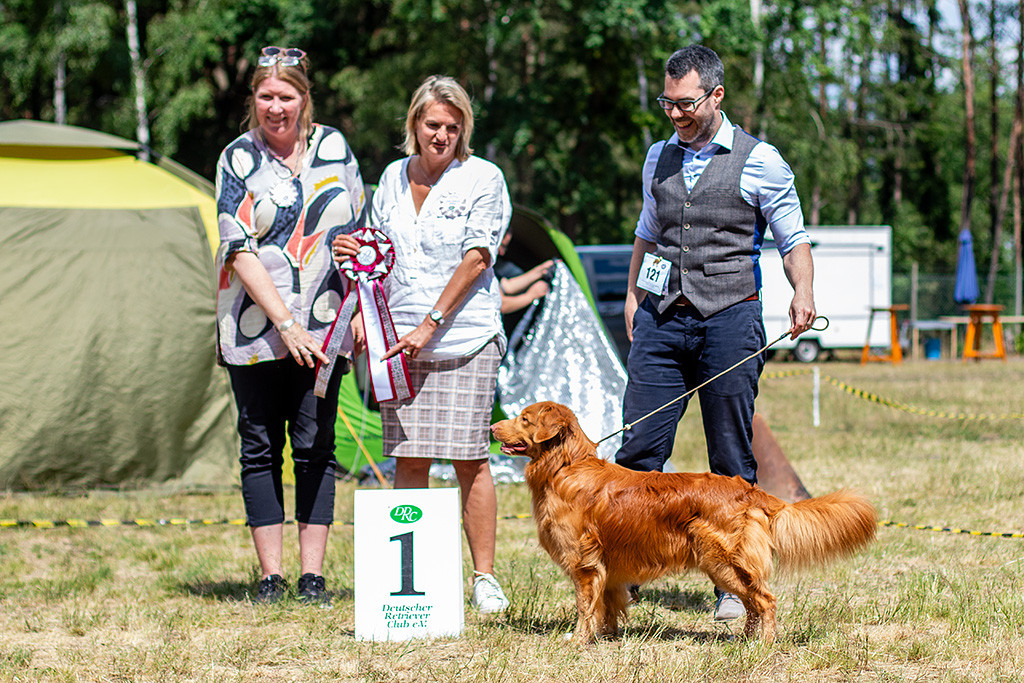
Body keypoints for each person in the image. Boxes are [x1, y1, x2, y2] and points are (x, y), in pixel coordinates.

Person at [616, 45, 815, 621]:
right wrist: (632, 296)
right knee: (639, 448)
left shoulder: (761, 160)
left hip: (730, 316)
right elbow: (648, 229)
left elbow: (793, 238)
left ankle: (735, 581)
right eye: (668, 103)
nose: (676, 114)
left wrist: (802, 292)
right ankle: (628, 571)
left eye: (686, 103)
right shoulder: (657, 156)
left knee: (729, 454)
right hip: (661, 318)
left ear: (716, 95)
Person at [332, 75, 512, 613]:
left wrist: (431, 323)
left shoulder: (484, 177)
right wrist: (358, 296)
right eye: (433, 124)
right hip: (398, 343)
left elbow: (478, 258)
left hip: (465, 337)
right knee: (409, 458)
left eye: (453, 127)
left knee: (469, 458)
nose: (442, 136)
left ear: (464, 130)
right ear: (414, 123)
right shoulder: (390, 177)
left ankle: (484, 578)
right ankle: (416, 578)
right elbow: (375, 256)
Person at [215, 46, 366, 606]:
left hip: (326, 329)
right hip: (255, 330)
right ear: (253, 99)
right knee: (259, 448)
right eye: (265, 96)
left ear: (305, 98)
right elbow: (237, 247)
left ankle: (312, 578)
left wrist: (359, 307)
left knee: (316, 447)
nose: (275, 107)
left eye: (286, 96)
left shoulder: (335, 148)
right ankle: (270, 577)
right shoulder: (236, 158)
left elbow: (361, 232)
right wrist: (284, 323)